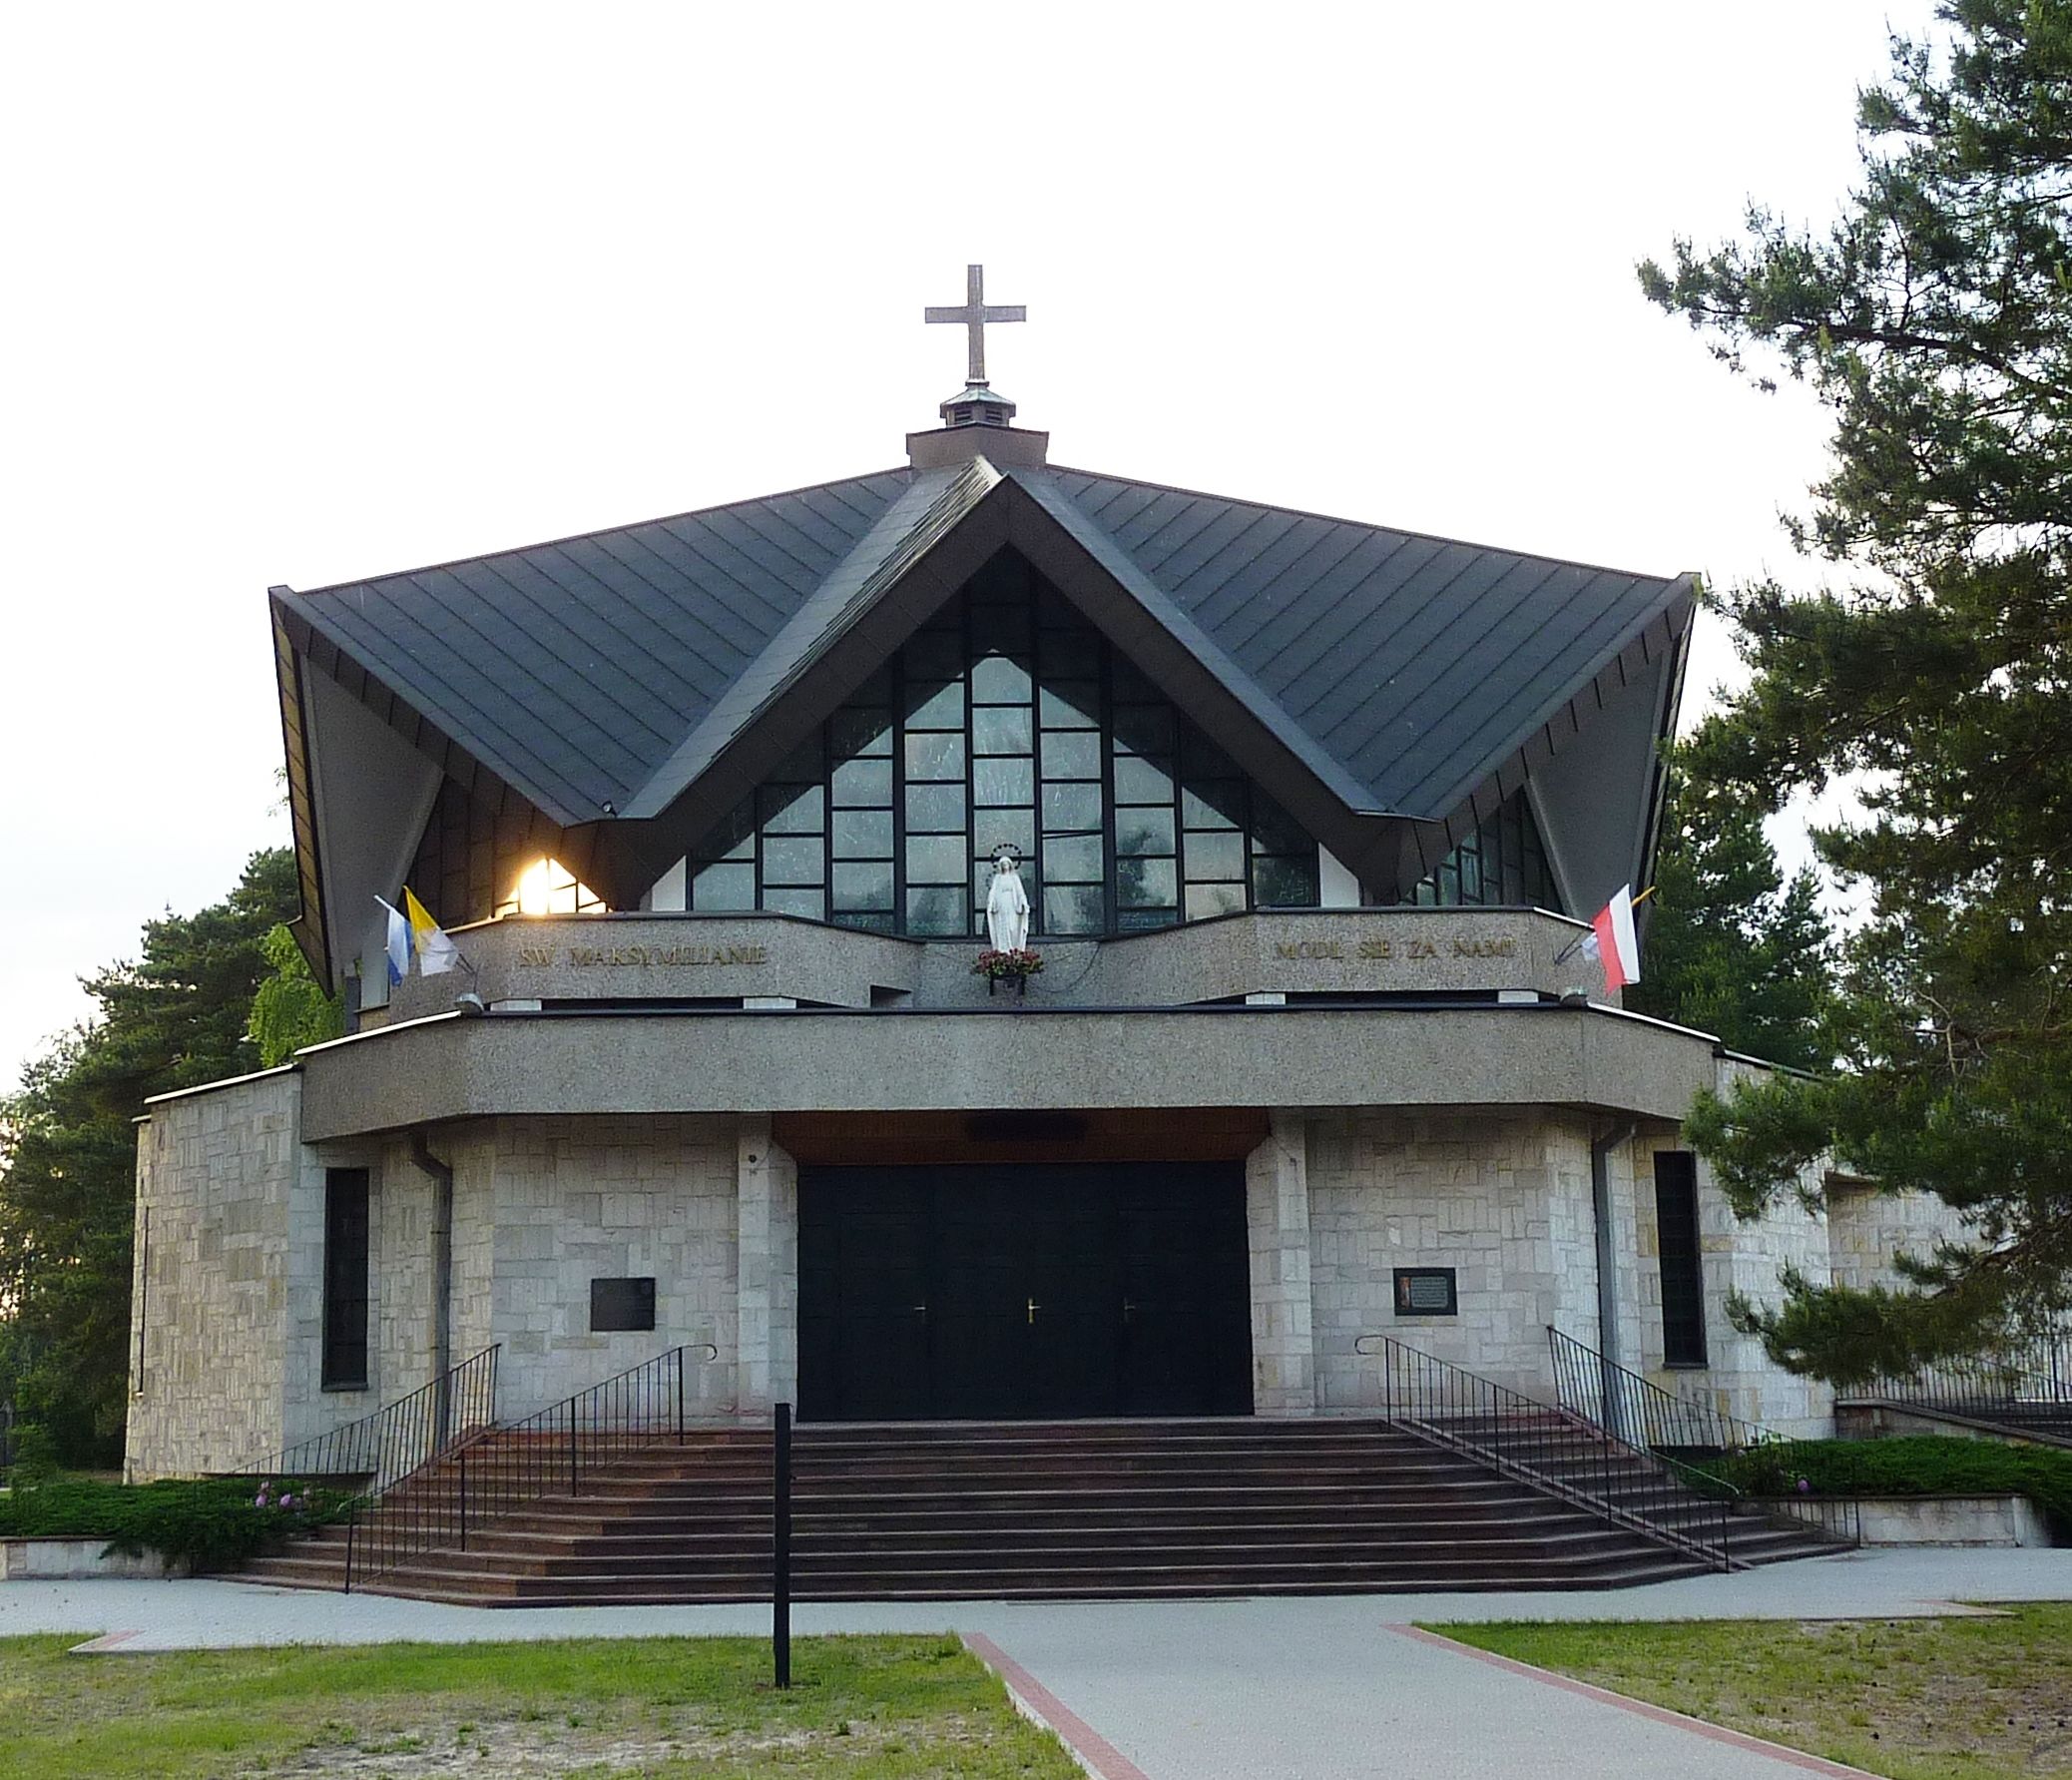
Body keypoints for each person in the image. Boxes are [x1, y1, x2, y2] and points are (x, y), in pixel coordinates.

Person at [984, 844, 1030, 952]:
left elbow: (1020, 892)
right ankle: (1003, 949)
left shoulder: (1014, 878)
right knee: (1002, 925)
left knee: (1012, 926)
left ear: (1010, 865)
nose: (1005, 866)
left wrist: (1024, 902)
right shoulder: (998, 878)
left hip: (1012, 903)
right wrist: (990, 903)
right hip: (1001, 904)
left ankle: (1013, 948)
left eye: (1007, 864)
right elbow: (993, 892)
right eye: (1003, 864)